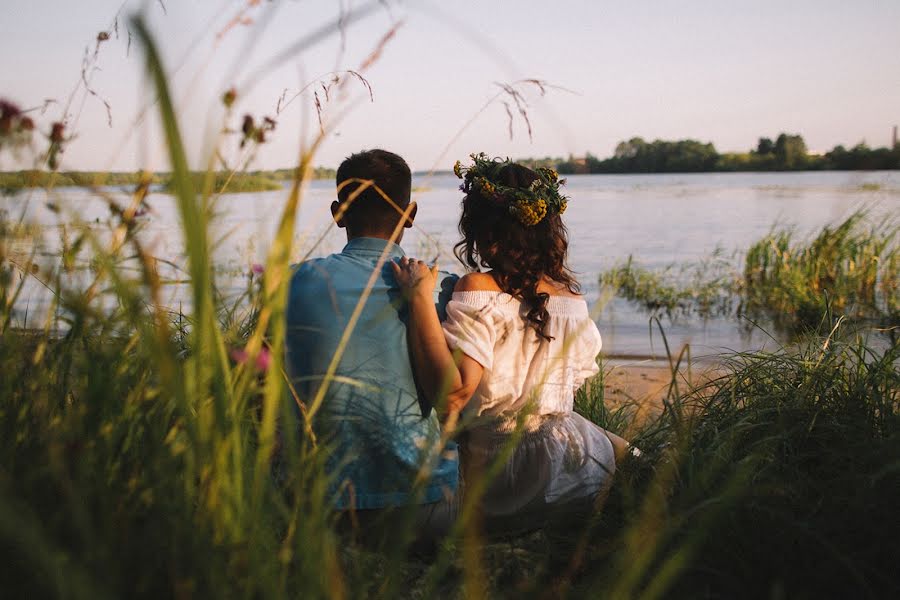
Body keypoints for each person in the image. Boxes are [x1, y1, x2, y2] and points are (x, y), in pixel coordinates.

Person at [392, 154, 635, 532]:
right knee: (594, 434)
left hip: (502, 484)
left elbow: (454, 396)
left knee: (586, 431)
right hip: (569, 474)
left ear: (483, 232)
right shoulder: (572, 299)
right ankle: (646, 463)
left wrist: (420, 297)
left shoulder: (477, 289)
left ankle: (642, 461)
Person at [285, 149, 459, 548]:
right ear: (410, 213)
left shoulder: (290, 282)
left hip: (317, 507)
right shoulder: (442, 288)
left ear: (337, 212)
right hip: (424, 508)